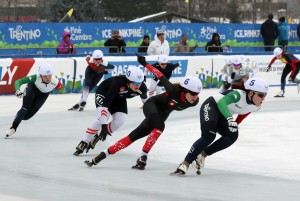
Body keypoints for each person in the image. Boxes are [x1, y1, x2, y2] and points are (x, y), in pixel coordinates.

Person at [84, 54, 202, 169]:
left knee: (132, 137)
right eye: (193, 93)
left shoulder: (195, 101)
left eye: (197, 94)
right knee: (160, 126)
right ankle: (144, 157)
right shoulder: (172, 90)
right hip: (151, 105)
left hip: (161, 115)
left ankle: (100, 156)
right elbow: (159, 74)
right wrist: (144, 63)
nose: (195, 97)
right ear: (185, 90)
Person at [172, 77, 269, 175]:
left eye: (265, 95)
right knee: (209, 135)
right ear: (251, 93)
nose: (263, 98)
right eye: (261, 95)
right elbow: (221, 102)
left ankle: (202, 154)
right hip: (211, 106)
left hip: (223, 115)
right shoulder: (238, 95)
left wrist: (237, 123)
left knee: (233, 135)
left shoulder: (256, 106)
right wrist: (230, 119)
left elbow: (246, 111)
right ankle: (185, 164)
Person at [73, 66, 148, 156]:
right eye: (135, 83)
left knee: (122, 119)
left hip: (119, 97)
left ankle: (97, 137)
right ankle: (84, 142)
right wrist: (104, 126)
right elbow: (105, 106)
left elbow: (146, 102)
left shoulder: (142, 88)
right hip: (105, 93)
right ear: (128, 81)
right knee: (101, 119)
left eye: (140, 83)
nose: (138, 86)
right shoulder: (118, 83)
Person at [5, 63, 62, 138]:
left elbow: (60, 88)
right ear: (41, 75)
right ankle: (13, 127)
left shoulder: (56, 82)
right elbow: (18, 82)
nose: (48, 78)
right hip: (32, 89)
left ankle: (19, 116)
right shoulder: (35, 77)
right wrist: (18, 91)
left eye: (50, 75)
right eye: (45, 76)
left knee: (26, 117)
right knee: (25, 108)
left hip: (43, 95)